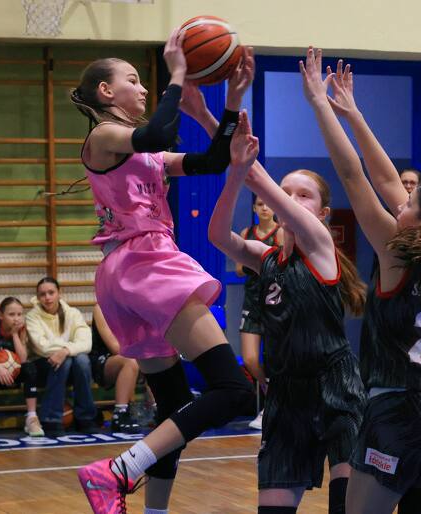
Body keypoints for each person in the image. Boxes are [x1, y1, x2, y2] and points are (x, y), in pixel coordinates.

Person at [72, 30, 255, 514]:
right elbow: (155, 133)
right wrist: (177, 71)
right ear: (106, 91)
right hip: (145, 262)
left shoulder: (146, 154)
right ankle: (117, 470)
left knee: (174, 408)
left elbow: (212, 160)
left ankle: (153, 510)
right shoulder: (103, 135)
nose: (143, 88)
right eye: (133, 80)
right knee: (234, 390)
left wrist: (232, 101)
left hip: (126, 273)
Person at [300, 49, 421, 513]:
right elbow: (386, 177)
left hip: (400, 409)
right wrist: (354, 113)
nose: (402, 202)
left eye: (411, 204)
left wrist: (318, 104)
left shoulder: (396, 251)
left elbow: (353, 175)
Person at [208, 110, 366, 514]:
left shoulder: (321, 247)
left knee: (346, 506)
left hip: (335, 386)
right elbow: (217, 235)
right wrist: (234, 169)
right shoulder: (267, 259)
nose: (291, 201)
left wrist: (235, 148)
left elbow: (257, 177)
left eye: (303, 195)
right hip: (286, 394)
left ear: (323, 214)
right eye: (286, 193)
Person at [26, 277, 99, 437]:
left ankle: (85, 418)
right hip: (42, 364)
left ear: (60, 293)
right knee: (66, 362)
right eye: (42, 294)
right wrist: (69, 349)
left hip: (71, 362)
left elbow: (86, 343)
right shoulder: (32, 316)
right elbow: (42, 346)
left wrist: (65, 351)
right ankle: (51, 419)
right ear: (38, 297)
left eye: (51, 292)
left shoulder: (73, 314)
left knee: (82, 360)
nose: (47, 297)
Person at [235, 195, 283, 430]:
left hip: (275, 301)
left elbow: (282, 266)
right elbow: (239, 269)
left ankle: (272, 407)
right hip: (252, 301)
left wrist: (256, 262)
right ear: (254, 208)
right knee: (250, 359)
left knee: (275, 358)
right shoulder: (247, 232)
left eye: (268, 204)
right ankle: (269, 391)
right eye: (260, 204)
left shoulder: (280, 233)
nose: (265, 208)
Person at [0, 297, 44, 438]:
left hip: (12, 374)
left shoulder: (21, 330)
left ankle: (31, 417)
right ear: (1, 315)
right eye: (11, 314)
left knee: (30, 368)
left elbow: (23, 359)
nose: (16, 318)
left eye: (19, 314)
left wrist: (14, 334)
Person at [91, 304, 141, 433]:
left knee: (155, 356)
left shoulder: (135, 305)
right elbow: (115, 347)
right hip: (103, 361)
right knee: (130, 361)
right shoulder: (101, 308)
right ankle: (120, 414)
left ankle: (158, 408)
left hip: (132, 354)